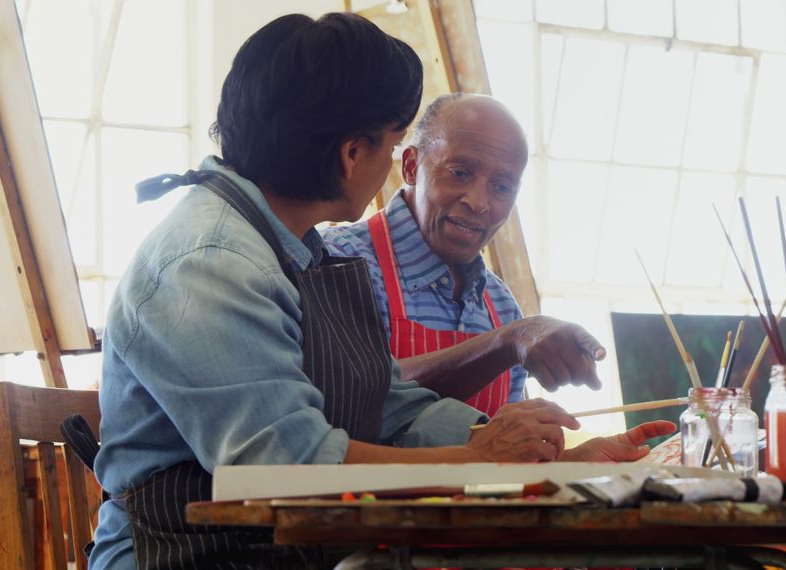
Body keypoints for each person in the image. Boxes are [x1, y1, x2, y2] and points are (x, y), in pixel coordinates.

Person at [91, 14, 673, 570]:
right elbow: (285, 467)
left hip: (288, 549)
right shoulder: (210, 262)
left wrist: (553, 465)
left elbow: (386, 405)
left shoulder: (295, 250)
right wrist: (478, 459)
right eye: (394, 146)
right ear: (352, 154)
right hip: (194, 556)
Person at [323, 93, 604, 416]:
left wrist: (571, 457)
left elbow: (504, 445)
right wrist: (504, 344)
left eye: (502, 187)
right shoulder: (336, 261)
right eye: (460, 173)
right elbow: (351, 397)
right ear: (412, 167)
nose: (479, 202)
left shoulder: (499, 303)